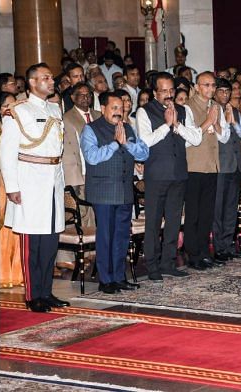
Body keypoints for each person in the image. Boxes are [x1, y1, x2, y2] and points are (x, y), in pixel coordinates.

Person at [0, 63, 70, 312]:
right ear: (31, 82)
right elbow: (7, 153)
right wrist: (12, 187)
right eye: (46, 78)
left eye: (51, 78)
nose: (51, 81)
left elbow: (57, 149)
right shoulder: (17, 111)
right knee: (33, 244)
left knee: (50, 242)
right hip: (29, 183)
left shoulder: (54, 108)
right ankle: (32, 295)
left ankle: (46, 291)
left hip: (52, 181)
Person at [80, 91, 149, 294]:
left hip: (125, 190)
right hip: (103, 191)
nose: (119, 112)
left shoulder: (127, 128)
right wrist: (115, 144)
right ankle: (106, 279)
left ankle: (119, 277)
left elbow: (144, 153)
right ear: (103, 109)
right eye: (114, 108)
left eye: (121, 108)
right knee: (106, 236)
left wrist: (126, 142)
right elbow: (92, 157)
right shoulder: (91, 129)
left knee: (121, 236)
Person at [136, 72, 201, 281]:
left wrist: (177, 125)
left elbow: (195, 139)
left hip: (179, 173)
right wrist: (166, 125)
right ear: (155, 92)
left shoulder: (183, 110)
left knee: (173, 221)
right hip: (156, 174)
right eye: (163, 90)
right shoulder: (144, 112)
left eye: (171, 90)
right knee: (153, 222)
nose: (168, 94)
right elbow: (146, 141)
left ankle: (168, 262)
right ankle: (152, 265)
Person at [183, 72, 231, 270]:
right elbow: (190, 138)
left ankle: (204, 252)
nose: (210, 89)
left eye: (213, 85)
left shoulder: (216, 107)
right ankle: (193, 255)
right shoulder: (187, 108)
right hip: (193, 167)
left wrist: (217, 121)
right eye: (206, 85)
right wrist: (208, 122)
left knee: (206, 214)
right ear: (196, 86)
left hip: (212, 166)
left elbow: (224, 137)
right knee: (193, 214)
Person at [212, 78, 241, 261]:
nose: (225, 95)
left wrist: (233, 121)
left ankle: (228, 244)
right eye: (221, 91)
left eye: (227, 91)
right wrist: (226, 121)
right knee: (218, 208)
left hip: (234, 165)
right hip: (219, 166)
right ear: (214, 92)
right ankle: (218, 247)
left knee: (230, 207)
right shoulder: (211, 110)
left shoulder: (233, 110)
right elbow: (222, 138)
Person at [62, 82, 101, 227]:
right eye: (81, 95)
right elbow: (70, 150)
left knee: (99, 214)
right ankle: (87, 248)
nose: (86, 98)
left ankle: (97, 247)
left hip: (100, 173)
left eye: (88, 95)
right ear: (73, 97)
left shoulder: (99, 115)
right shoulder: (67, 118)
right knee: (83, 213)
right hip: (81, 173)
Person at [0, 92, 23, 288]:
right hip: (0, 182)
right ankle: (1, 272)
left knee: (14, 230)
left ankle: (16, 273)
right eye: (8, 104)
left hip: (13, 179)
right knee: (2, 230)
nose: (12, 107)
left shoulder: (16, 123)